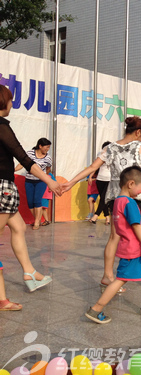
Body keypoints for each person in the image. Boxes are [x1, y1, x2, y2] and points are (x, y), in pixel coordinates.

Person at [63, 116, 141, 290]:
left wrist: (70, 183)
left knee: (114, 237)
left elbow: (92, 168)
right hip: (137, 198)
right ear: (138, 132)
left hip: (116, 198)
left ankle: (107, 276)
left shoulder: (110, 148)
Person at [85, 167, 141, 324]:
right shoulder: (130, 203)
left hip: (131, 247)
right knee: (121, 280)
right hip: (134, 249)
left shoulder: (118, 201)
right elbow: (137, 225)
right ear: (131, 184)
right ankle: (96, 308)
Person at [0, 84, 61, 292]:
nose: (11, 104)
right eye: (10, 100)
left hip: (4, 188)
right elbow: (24, 159)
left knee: (19, 227)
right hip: (2, 188)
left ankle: (29, 271)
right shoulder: (1, 126)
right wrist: (50, 181)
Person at [15, 137, 52, 230]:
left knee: (37, 200)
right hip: (29, 180)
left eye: (49, 148)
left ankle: (36, 222)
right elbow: (22, 163)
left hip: (41, 181)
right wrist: (13, 169)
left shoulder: (48, 158)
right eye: (46, 147)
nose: (47, 149)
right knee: (30, 203)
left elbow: (48, 169)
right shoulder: (30, 154)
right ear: (40, 146)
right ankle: (38, 219)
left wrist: (45, 177)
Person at [89, 141, 111, 225]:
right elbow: (95, 166)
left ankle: (95, 216)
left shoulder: (113, 156)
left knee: (104, 198)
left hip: (109, 179)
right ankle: (107, 218)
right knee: (103, 198)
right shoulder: (100, 154)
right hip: (100, 179)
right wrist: (91, 176)